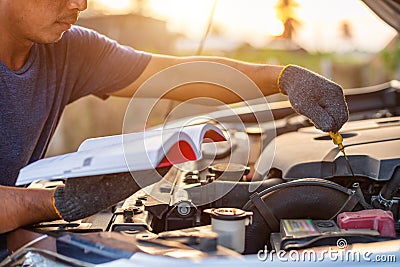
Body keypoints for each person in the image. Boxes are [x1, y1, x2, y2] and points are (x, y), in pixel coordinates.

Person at [0, 0, 349, 236]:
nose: (81, 3)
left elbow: (176, 74)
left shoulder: (69, 49)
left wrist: (281, 78)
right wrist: (57, 203)